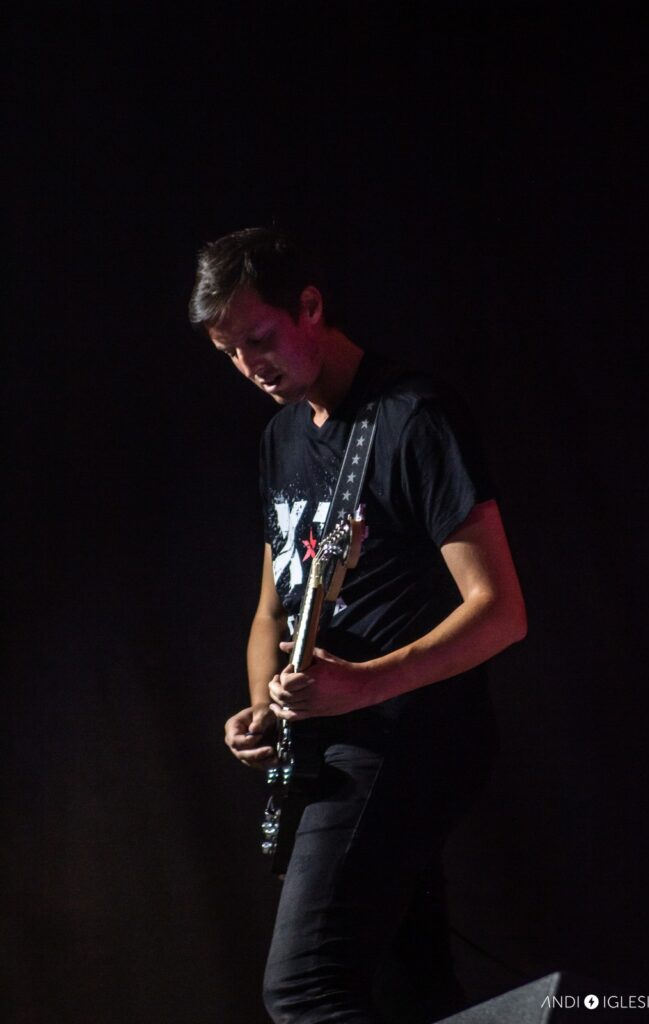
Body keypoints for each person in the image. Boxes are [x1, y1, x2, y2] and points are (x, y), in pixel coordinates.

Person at [189, 227, 527, 1024]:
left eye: (260, 340)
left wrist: (361, 685)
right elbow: (274, 609)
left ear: (310, 306)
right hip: (335, 743)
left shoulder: (411, 416)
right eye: (230, 353)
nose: (250, 368)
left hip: (411, 733)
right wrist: (267, 712)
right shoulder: (280, 438)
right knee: (410, 988)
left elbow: (502, 612)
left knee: (305, 989)